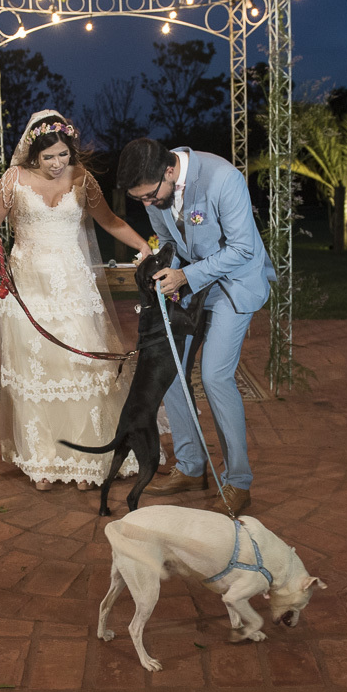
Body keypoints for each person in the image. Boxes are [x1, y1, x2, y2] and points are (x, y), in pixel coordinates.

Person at [0, 110, 153, 491]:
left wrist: (145, 247)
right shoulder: (13, 180)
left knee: (79, 368)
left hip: (74, 289)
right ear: (32, 155)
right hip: (29, 291)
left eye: (63, 155)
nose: (58, 164)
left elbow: (110, 222)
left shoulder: (82, 178)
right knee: (38, 373)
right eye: (49, 157)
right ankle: (43, 461)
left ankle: (86, 461)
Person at [116, 138, 275, 516]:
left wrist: (187, 275)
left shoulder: (223, 179)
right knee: (168, 369)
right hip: (192, 287)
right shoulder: (155, 193)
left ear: (169, 171)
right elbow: (170, 239)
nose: (148, 205)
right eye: (141, 200)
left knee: (216, 376)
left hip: (235, 284)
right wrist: (160, 265)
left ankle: (238, 481)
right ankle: (191, 467)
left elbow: (242, 249)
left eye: (151, 196)